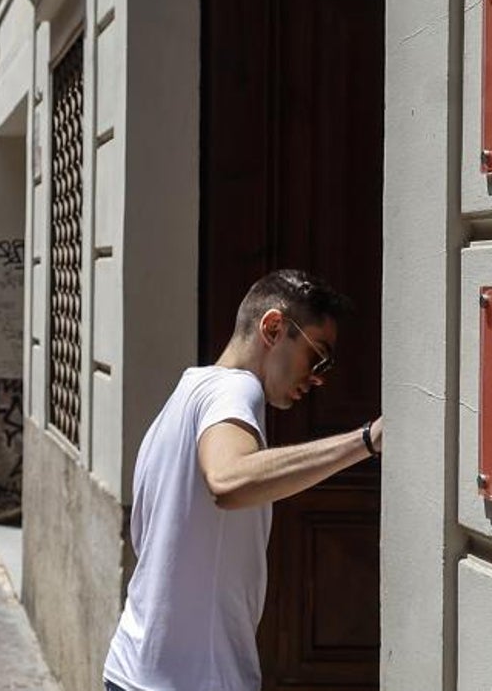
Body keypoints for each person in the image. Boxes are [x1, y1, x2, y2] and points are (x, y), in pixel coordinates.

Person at [103, 269, 384, 691]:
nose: (320, 376)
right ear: (273, 328)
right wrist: (366, 441)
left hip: (132, 671)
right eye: (317, 356)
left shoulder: (185, 393)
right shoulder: (235, 391)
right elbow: (229, 481)